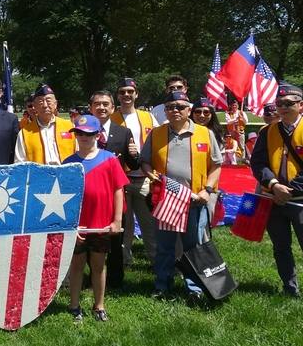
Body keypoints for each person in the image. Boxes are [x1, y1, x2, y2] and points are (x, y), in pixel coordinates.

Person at [250, 83, 303, 307]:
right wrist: (274, 184)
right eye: (279, 104)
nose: (283, 107)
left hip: (301, 199)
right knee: (280, 247)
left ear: (301, 105)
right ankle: (290, 289)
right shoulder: (267, 131)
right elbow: (258, 162)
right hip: (273, 198)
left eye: (289, 103)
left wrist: (291, 190)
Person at [141, 91, 222, 303]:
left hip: (195, 201)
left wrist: (208, 189)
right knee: (165, 247)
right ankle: (162, 285)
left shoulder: (204, 133)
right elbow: (145, 161)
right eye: (169, 107)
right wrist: (150, 174)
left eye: (179, 106)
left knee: (193, 247)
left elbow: (216, 165)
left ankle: (194, 288)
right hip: (166, 201)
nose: (174, 110)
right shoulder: (156, 134)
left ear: (188, 110)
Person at [63, 115, 128, 322]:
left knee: (99, 264)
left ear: (98, 135)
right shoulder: (69, 163)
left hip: (101, 223)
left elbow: (119, 189)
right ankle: (74, 305)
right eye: (79, 133)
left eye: (89, 134)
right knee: (76, 264)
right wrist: (70, 226)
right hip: (78, 225)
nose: (83, 137)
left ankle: (99, 305)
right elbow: (64, 198)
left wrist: (117, 220)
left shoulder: (109, 159)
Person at [88, 90, 139, 286]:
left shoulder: (123, 132)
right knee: (91, 235)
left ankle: (116, 278)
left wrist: (134, 155)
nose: (101, 107)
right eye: (97, 104)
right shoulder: (84, 130)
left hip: (115, 193)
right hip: (91, 194)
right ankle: (93, 277)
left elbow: (134, 166)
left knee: (116, 235)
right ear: (91, 107)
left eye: (105, 104)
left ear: (112, 107)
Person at [109, 78, 159, 265]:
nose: (126, 95)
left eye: (130, 91)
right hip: (120, 180)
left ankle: (156, 261)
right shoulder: (111, 118)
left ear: (136, 94)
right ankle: (124, 261)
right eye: (122, 92)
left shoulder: (148, 117)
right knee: (124, 223)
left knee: (149, 223)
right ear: (118, 96)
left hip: (144, 178)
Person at [15, 83, 75, 164]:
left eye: (48, 101)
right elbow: (19, 164)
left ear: (55, 104)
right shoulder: (24, 133)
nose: (45, 105)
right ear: (34, 106)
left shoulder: (70, 127)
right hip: (38, 176)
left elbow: (80, 154)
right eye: (40, 102)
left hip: (67, 175)